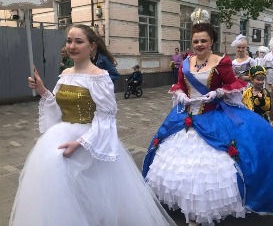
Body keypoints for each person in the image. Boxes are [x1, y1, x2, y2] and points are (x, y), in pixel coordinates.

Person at [142, 8, 273, 226]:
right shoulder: (186, 63)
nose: (199, 44)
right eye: (196, 41)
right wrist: (181, 94)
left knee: (212, 167)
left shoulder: (221, 62)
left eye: (203, 40)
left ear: (211, 41)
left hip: (213, 116)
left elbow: (234, 85)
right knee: (179, 165)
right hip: (186, 117)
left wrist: (218, 92)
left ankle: (200, 211)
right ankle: (186, 206)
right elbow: (180, 85)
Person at [10, 24, 176, 226]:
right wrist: (43, 90)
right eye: (69, 40)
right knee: (65, 198)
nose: (72, 45)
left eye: (79, 41)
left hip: (90, 143)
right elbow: (59, 106)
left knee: (95, 199)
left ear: (92, 46)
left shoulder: (100, 77)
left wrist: (80, 143)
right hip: (62, 135)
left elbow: (105, 118)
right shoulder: (66, 73)